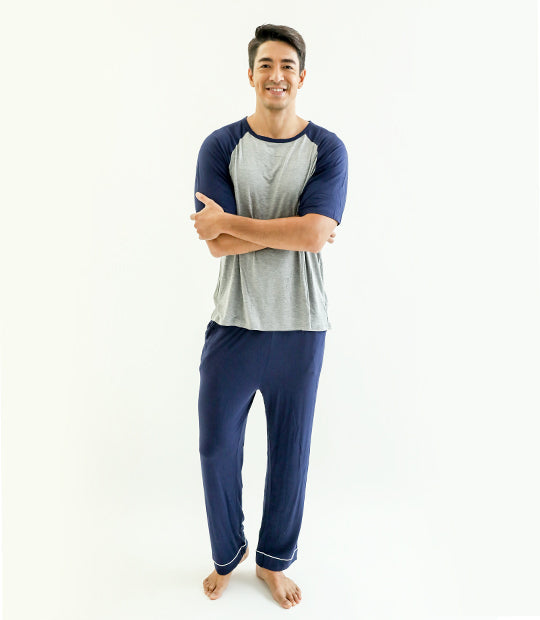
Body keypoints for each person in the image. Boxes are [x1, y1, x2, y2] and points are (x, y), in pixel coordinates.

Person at [190, 24, 348, 609]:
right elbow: (215, 245)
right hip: (234, 322)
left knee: (290, 452)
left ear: (301, 77)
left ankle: (273, 562)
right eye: (265, 65)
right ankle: (227, 552)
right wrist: (298, 230)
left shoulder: (327, 149)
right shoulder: (220, 145)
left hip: (301, 326)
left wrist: (238, 224)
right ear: (251, 74)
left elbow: (314, 233)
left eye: (286, 66)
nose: (276, 75)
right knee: (215, 447)